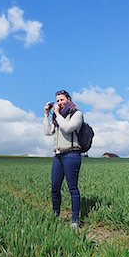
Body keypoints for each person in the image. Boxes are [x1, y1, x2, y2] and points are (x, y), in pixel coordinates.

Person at [43, 90, 83, 229]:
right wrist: (47, 115)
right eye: (57, 100)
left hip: (72, 154)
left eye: (62, 99)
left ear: (68, 99)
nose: (59, 102)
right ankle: (55, 215)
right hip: (58, 155)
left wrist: (58, 114)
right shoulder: (56, 117)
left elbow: (68, 128)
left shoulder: (76, 113)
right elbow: (48, 132)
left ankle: (75, 220)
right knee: (54, 188)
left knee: (72, 188)